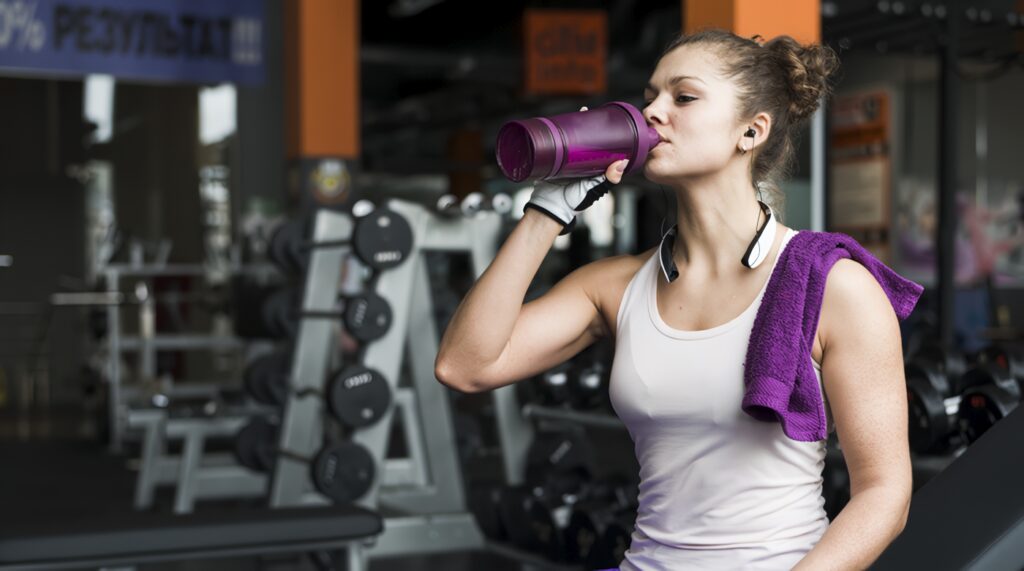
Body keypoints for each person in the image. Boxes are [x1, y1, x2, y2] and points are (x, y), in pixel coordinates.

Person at [436, 28, 913, 570]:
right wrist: (547, 211)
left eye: (683, 97)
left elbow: (885, 494)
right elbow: (464, 365)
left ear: (751, 131)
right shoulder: (613, 286)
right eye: (650, 97)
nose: (652, 113)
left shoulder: (832, 287)